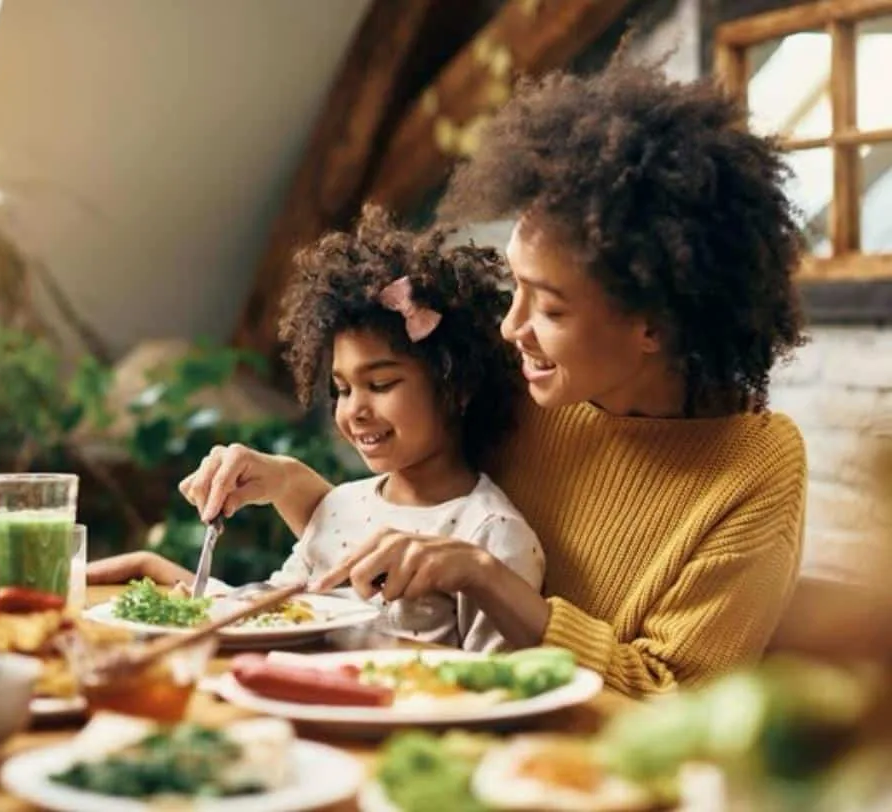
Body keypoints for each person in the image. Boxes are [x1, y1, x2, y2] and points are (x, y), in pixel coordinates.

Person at [172, 55, 809, 696]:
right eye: (516, 290)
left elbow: (670, 701)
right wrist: (286, 483)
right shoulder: (530, 381)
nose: (511, 328)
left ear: (655, 325)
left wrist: (486, 578)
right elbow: (413, 525)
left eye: (550, 307)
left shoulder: (752, 471)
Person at [90, 205, 544, 651]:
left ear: (456, 386)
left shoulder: (489, 532)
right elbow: (270, 616)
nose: (355, 411)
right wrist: (162, 574)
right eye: (343, 390)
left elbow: (502, 688)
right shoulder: (339, 505)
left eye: (380, 384)